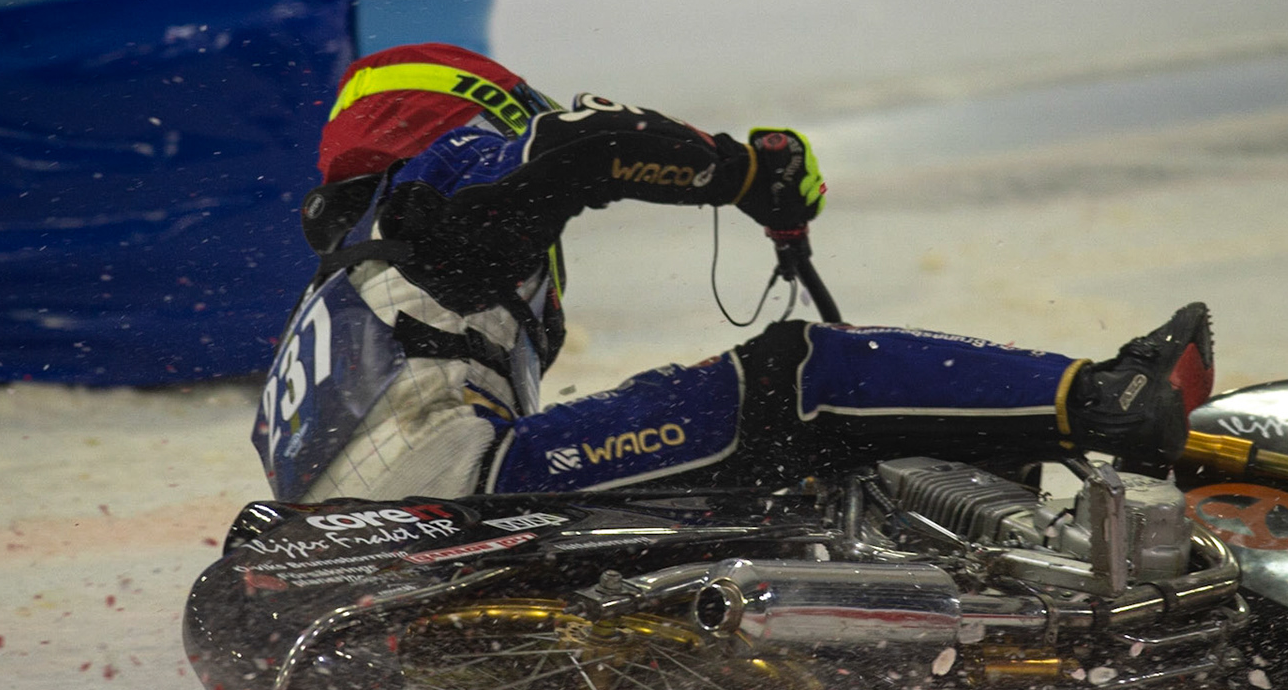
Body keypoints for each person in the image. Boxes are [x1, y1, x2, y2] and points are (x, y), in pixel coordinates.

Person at [253, 43, 1214, 505]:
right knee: (807, 375)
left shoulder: (339, 296)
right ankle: (1108, 396)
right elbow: (590, 145)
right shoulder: (432, 188)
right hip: (467, 488)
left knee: (714, 434)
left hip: (386, 534)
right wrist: (749, 174)